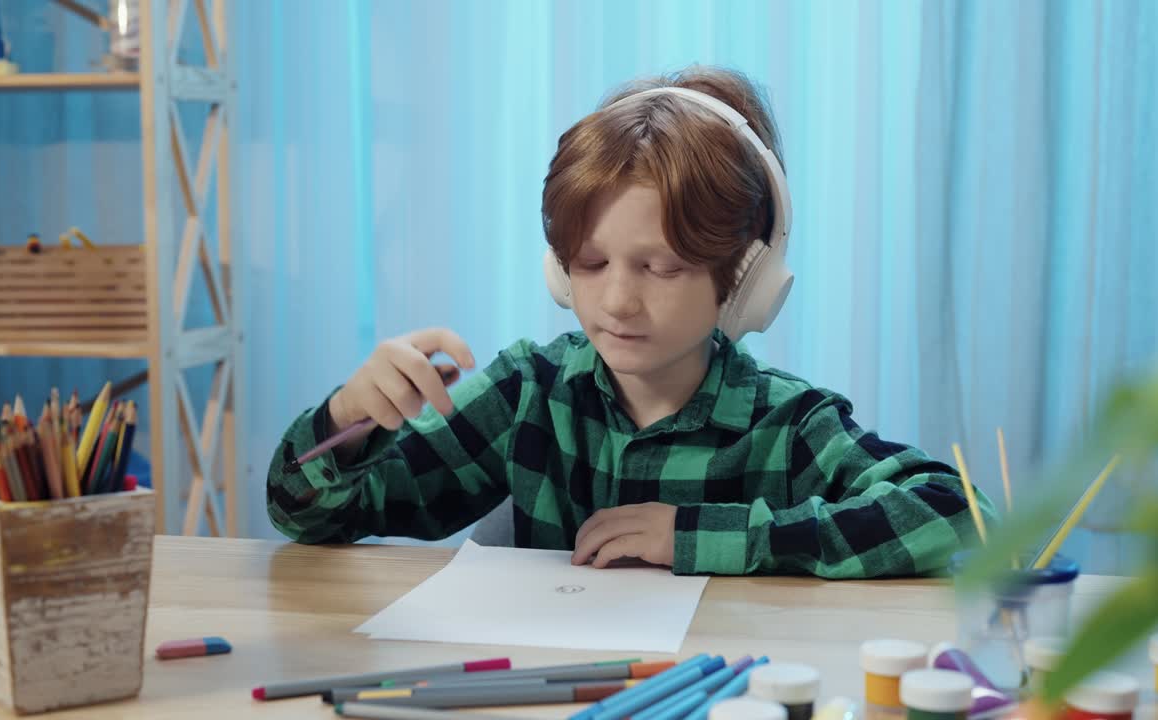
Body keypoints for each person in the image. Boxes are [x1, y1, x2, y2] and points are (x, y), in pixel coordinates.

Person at [267, 65, 994, 577]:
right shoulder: (531, 391)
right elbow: (305, 514)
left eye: (662, 268)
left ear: (743, 280)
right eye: (589, 262)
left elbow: (957, 513)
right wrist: (348, 418)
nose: (616, 302)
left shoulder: (788, 425)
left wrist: (703, 537)